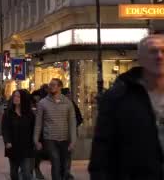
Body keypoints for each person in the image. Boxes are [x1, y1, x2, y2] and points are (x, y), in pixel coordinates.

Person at [89, 35, 164, 179]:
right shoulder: (119, 98)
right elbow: (102, 152)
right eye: (153, 51)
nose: (159, 56)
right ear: (140, 58)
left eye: (163, 51)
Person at [33, 78, 76, 180]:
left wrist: (73, 141)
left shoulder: (68, 103)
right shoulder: (43, 103)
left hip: (65, 138)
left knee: (65, 166)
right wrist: (36, 140)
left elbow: (72, 122)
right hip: (50, 139)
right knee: (55, 162)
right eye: (50, 85)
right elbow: (38, 123)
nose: (51, 87)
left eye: (54, 85)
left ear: (60, 87)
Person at [2, 90, 35, 180]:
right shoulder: (8, 113)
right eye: (14, 96)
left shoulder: (30, 114)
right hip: (12, 146)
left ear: (23, 99)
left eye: (18, 97)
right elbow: (5, 129)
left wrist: (36, 141)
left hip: (26, 147)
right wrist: (7, 141)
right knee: (14, 173)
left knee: (27, 173)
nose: (15, 98)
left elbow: (34, 130)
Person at [61, 88, 82, 180]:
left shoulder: (72, 104)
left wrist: (73, 126)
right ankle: (64, 172)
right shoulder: (64, 104)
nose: (69, 96)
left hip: (68, 134)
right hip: (62, 134)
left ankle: (66, 172)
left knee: (66, 154)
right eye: (68, 94)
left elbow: (79, 118)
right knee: (64, 155)